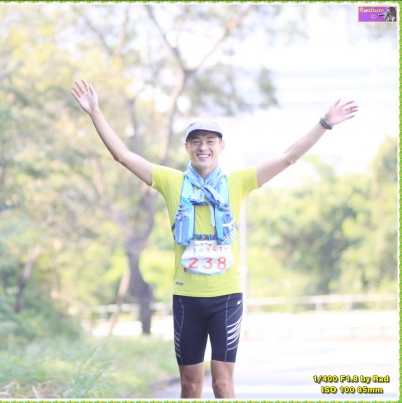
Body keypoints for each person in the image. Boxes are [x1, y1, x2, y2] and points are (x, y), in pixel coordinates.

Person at [71, 79, 358, 399]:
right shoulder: (171, 181)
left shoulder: (238, 182)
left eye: (210, 140)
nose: (203, 147)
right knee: (190, 386)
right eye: (195, 141)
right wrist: (95, 112)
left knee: (222, 384)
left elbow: (288, 157)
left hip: (226, 297)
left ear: (221, 146)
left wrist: (324, 123)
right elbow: (123, 156)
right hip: (187, 298)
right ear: (186, 147)